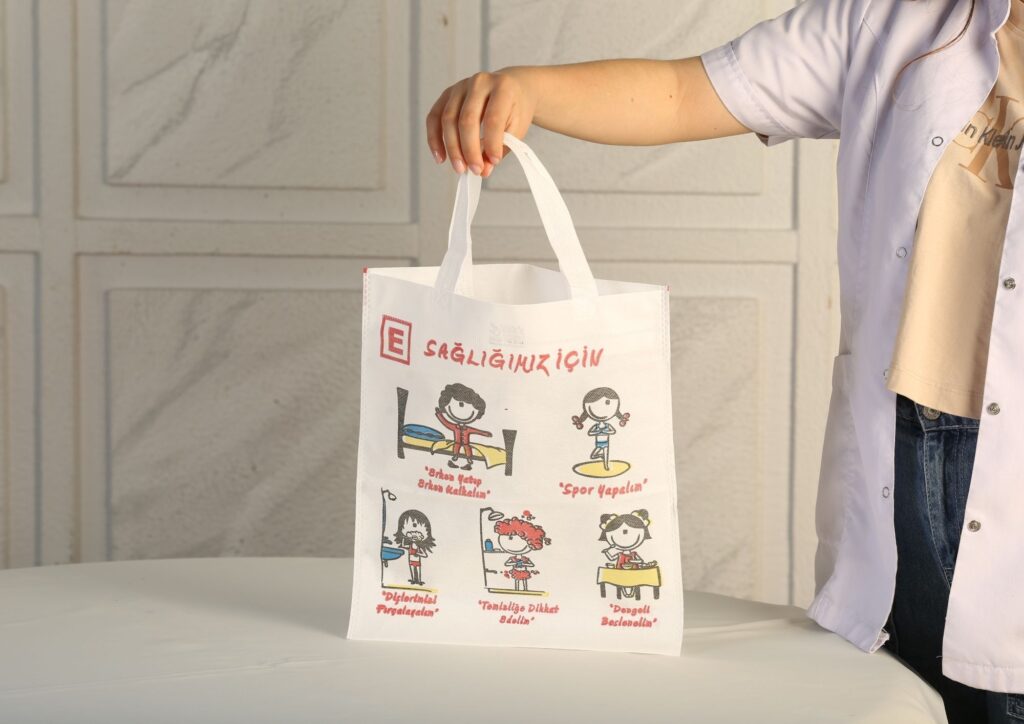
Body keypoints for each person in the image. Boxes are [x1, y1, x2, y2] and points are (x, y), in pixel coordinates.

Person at [425, 1, 1024, 720]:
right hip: (903, 453)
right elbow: (683, 93)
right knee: (904, 699)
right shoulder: (892, 20)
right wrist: (527, 90)